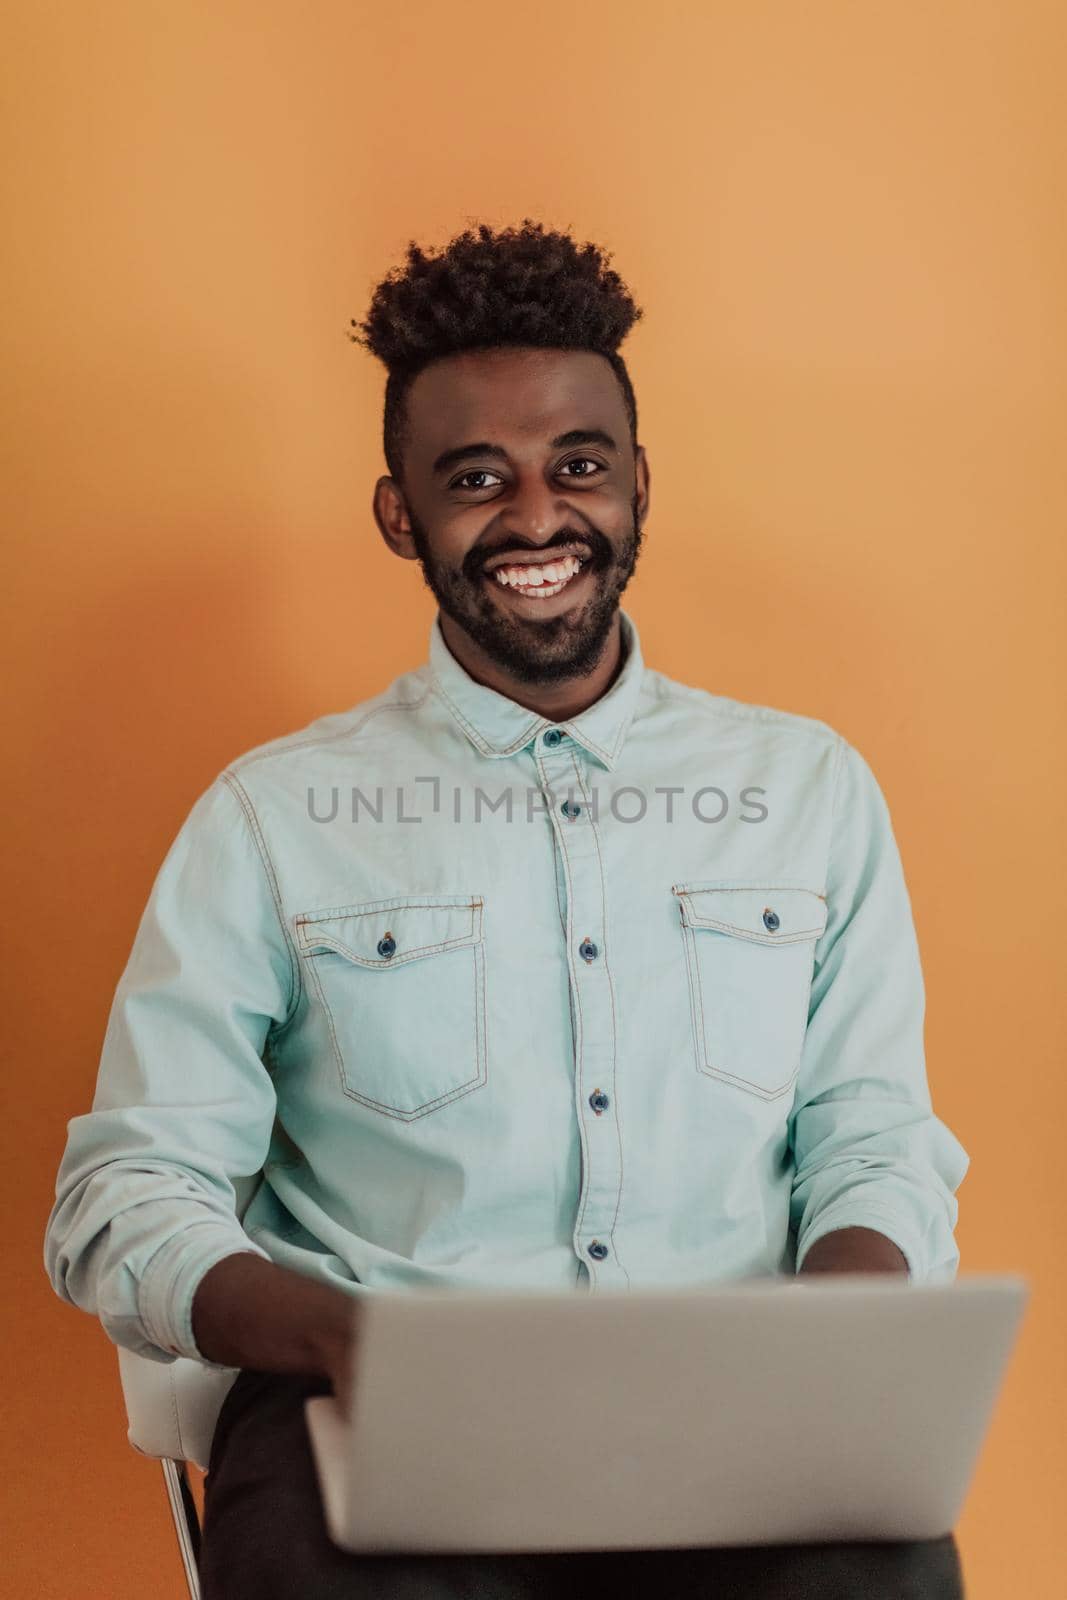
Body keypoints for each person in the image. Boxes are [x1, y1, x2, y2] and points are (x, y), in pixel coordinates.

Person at [43, 219, 969, 1598]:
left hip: (731, 1406)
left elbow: (871, 1133)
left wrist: (822, 1345)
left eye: (577, 466)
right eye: (476, 478)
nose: (539, 518)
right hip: (368, 1411)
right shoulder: (273, 818)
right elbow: (125, 1194)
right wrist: (354, 1341)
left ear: (639, 482)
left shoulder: (808, 789)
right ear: (399, 512)